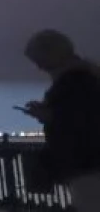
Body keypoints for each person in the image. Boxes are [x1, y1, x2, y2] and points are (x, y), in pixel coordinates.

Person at [20, 29, 100, 212]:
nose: (39, 67)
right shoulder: (85, 76)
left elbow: (84, 122)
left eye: (40, 61)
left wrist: (49, 116)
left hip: (87, 165)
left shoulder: (76, 82)